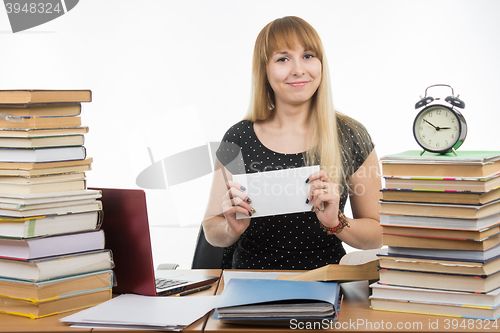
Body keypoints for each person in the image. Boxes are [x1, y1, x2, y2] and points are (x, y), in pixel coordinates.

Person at [203, 16, 382, 270]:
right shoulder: (239, 137)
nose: (298, 69)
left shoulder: (351, 135)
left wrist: (337, 222)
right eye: (283, 59)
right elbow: (211, 228)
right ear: (264, 69)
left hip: (326, 282)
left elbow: (378, 233)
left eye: (308, 55)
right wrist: (230, 228)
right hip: (250, 283)